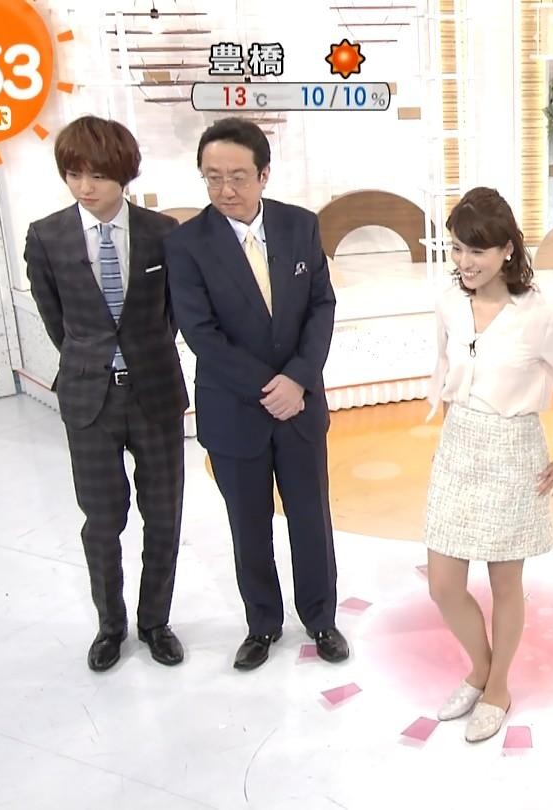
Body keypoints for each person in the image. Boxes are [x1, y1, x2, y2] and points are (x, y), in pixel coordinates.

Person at [425, 187, 553, 743]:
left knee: (504, 582)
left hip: (513, 450)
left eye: (477, 251)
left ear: (507, 249)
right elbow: (445, 358)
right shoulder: (448, 299)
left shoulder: (542, 313)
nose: (465, 262)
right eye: (457, 248)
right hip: (458, 446)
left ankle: (497, 687)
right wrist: (443, 411)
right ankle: (480, 667)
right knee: (443, 584)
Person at [165, 117, 349, 670]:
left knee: (311, 519)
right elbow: (201, 333)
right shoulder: (186, 244)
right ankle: (262, 624)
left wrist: (299, 378)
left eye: (238, 176)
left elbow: (321, 306)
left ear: (264, 174)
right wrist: (271, 388)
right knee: (248, 526)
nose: (225, 189)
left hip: (300, 406)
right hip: (234, 410)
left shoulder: (300, 226)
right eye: (213, 177)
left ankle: (321, 619)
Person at [24, 116, 187, 672]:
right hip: (89, 398)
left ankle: (155, 622)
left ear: (124, 173)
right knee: (101, 520)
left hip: (155, 393)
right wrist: (94, 358)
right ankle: (110, 626)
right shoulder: (47, 236)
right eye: (74, 175)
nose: (85, 187)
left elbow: (172, 314)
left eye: (96, 175)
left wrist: (141, 356)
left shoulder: (164, 232)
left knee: (163, 516)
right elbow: (56, 320)